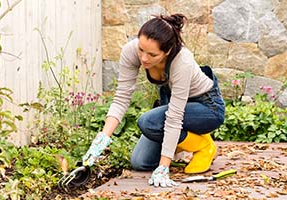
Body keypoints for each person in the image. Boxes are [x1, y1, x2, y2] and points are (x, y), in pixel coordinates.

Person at [82, 13, 225, 187]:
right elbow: (121, 97)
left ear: (168, 51)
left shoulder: (182, 61)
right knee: (141, 162)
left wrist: (164, 167)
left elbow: (174, 117)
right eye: (141, 50)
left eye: (152, 54)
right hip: (173, 104)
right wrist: (103, 137)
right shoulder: (130, 51)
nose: (144, 58)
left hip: (207, 108)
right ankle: (181, 144)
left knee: (149, 122)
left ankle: (203, 145)